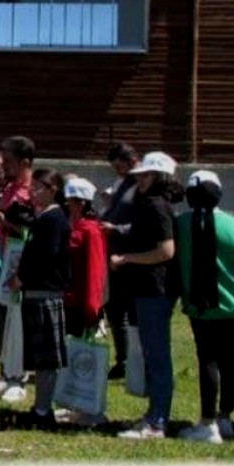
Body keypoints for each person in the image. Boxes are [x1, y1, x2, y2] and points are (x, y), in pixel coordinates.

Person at [174, 170, 234, 444]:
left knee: (208, 360)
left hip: (201, 307)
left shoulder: (181, 224)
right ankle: (225, 418)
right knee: (229, 361)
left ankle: (207, 422)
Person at [110, 151, 183, 440]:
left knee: (157, 357)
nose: (140, 178)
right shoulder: (153, 204)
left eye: (146, 174)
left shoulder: (156, 206)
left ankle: (157, 421)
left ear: (159, 178)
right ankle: (155, 415)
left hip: (155, 289)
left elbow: (165, 251)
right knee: (154, 355)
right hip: (150, 289)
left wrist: (127, 259)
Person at [8, 168, 71, 429]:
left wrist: (21, 278)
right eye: (32, 187)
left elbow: (46, 255)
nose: (33, 192)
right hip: (35, 293)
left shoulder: (53, 218)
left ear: (53, 189)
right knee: (39, 356)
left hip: (45, 292)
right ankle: (40, 406)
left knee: (47, 358)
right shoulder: (41, 218)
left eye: (39, 187)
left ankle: (44, 411)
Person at [0, 135, 36, 402]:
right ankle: (7, 372)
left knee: (20, 321)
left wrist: (4, 221)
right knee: (3, 319)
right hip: (4, 260)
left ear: (25, 161)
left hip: (22, 262)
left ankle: (20, 376)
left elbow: (34, 229)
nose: (3, 165)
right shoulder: (8, 188)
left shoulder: (32, 192)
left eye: (8, 160)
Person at [100, 141, 141, 380]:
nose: (118, 171)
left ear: (132, 161)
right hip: (113, 256)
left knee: (130, 313)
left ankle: (132, 360)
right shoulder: (123, 184)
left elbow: (144, 224)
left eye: (120, 166)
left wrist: (117, 229)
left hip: (130, 257)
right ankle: (123, 358)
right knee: (115, 311)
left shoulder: (141, 187)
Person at [63, 178, 107, 338]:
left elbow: (95, 271)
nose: (66, 205)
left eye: (70, 201)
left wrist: (91, 309)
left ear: (82, 203)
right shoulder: (69, 226)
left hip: (78, 305)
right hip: (65, 299)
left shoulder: (91, 231)